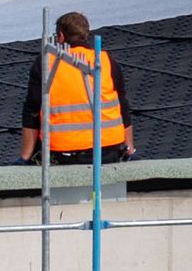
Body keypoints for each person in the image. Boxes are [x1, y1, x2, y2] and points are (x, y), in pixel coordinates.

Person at [18, 11, 138, 164]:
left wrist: (25, 157)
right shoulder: (105, 60)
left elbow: (32, 110)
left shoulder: (47, 62)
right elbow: (123, 106)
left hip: (62, 152)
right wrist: (129, 149)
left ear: (60, 36)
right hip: (108, 149)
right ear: (85, 35)